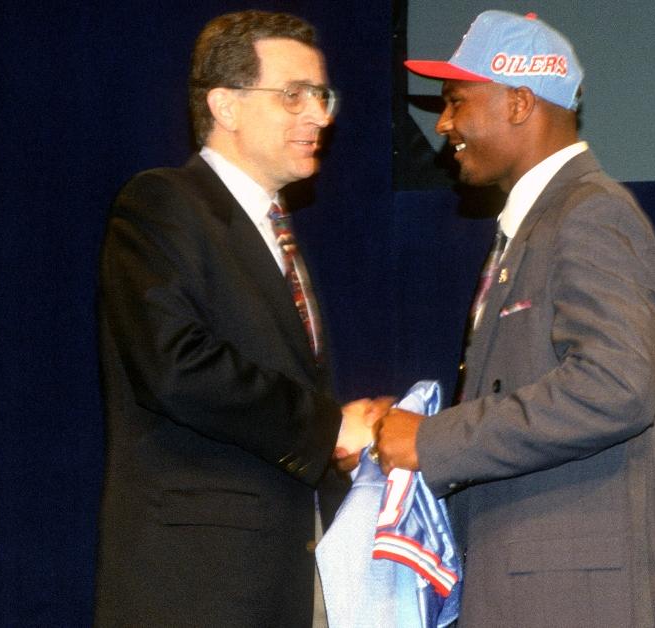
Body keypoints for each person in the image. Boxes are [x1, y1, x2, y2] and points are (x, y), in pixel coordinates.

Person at [374, 10, 655, 626]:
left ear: (519, 102)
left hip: (575, 602)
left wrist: (434, 442)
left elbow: (617, 387)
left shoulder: (590, 213)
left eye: (456, 102)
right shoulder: (537, 226)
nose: (443, 125)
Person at [95, 10, 380, 626]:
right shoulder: (162, 203)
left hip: (289, 576)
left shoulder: (278, 234)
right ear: (225, 106)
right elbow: (175, 367)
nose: (319, 115)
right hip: (201, 582)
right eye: (293, 95)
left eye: (322, 94)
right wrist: (327, 427)